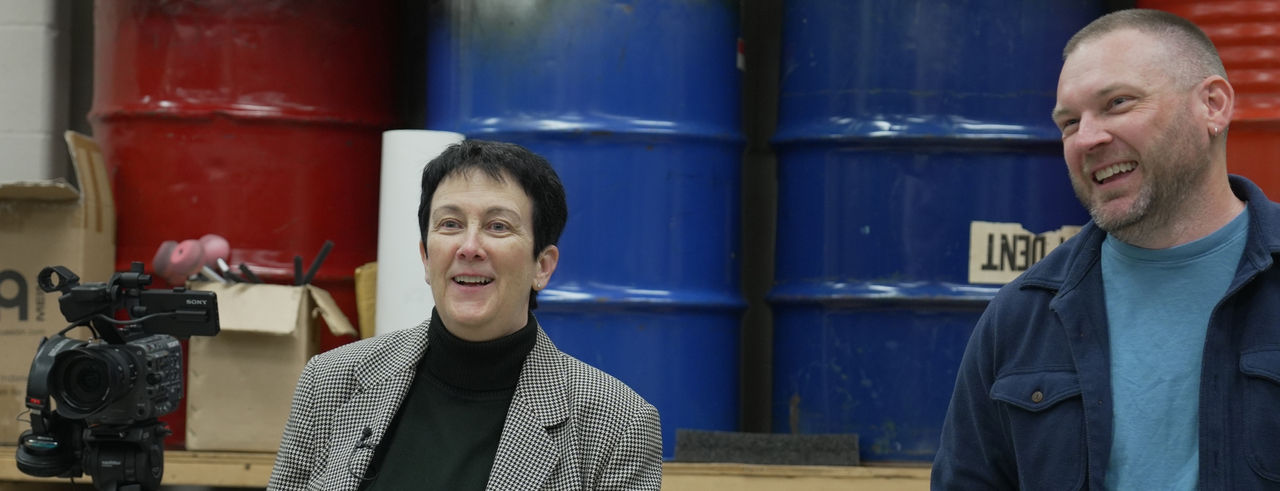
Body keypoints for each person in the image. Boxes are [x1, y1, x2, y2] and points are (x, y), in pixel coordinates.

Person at [934, 8, 1280, 490]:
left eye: (1118, 103)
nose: (1088, 138)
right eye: (1069, 122)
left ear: (1213, 105)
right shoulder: (1021, 319)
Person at [268, 140, 663, 490]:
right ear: (426, 257)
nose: (469, 246)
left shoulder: (617, 424)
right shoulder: (330, 383)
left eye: (498, 226)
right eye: (450, 224)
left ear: (542, 266)